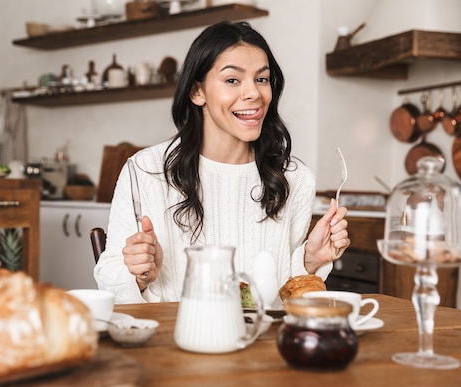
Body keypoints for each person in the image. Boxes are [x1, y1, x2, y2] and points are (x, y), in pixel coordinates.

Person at [95, 21, 350, 304]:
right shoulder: (145, 170)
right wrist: (139, 274)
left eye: (262, 79)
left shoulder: (294, 178)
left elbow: (282, 298)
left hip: (262, 344)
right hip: (171, 342)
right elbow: (109, 280)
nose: (253, 93)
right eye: (232, 80)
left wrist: (310, 260)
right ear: (197, 92)